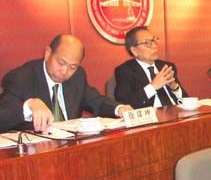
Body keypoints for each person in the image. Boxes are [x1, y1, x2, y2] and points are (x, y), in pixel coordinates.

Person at [0, 34, 131, 133]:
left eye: (72, 67)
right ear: (48, 53)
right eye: (61, 63)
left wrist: (119, 109)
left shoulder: (78, 76)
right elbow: (3, 118)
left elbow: (96, 100)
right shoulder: (21, 77)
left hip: (72, 147)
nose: (64, 72)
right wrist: (29, 105)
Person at [114, 26, 187, 109]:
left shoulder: (167, 66)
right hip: (150, 116)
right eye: (147, 43)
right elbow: (125, 105)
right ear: (134, 50)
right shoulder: (125, 71)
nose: (154, 46)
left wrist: (174, 87)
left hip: (176, 113)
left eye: (154, 40)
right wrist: (153, 87)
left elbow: (186, 101)